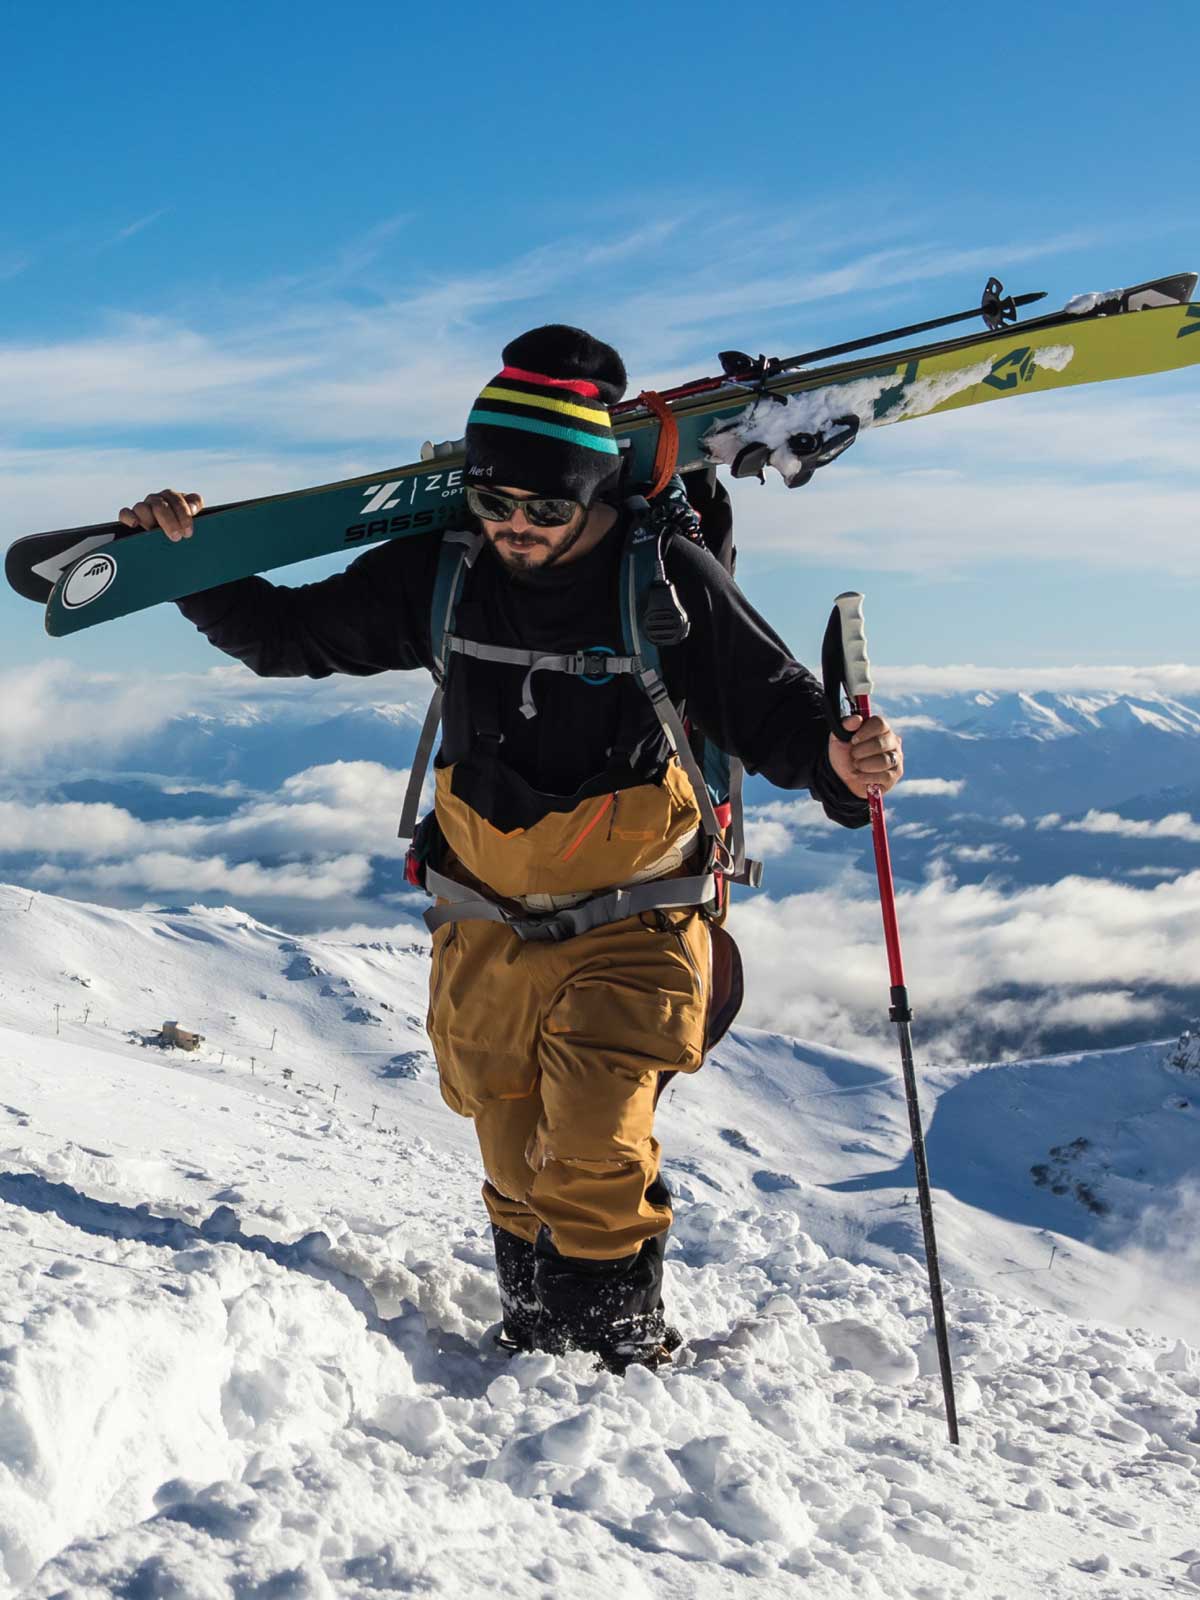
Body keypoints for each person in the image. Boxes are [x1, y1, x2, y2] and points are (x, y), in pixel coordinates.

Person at [121, 325, 904, 1372]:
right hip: (483, 913)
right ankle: (538, 1342)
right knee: (511, 1143)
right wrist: (194, 564)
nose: (516, 526)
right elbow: (291, 637)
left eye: (545, 507)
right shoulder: (443, 574)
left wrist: (843, 768)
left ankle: (610, 1358)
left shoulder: (660, 578)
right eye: (495, 502)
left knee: (592, 1146)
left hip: (638, 913)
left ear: (594, 495)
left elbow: (772, 709)